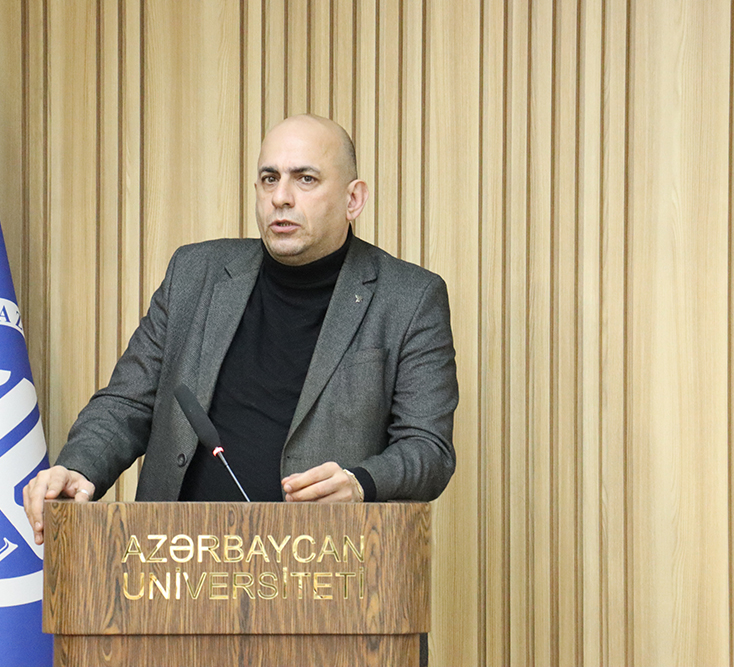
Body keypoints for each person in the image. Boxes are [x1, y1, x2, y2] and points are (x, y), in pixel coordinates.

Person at [23, 114, 458, 545]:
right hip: (174, 559)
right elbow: (127, 402)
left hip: (322, 564)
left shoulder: (410, 298)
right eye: (270, 179)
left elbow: (427, 448)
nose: (281, 197)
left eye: (305, 179)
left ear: (353, 200)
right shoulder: (195, 273)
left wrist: (360, 482)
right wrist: (78, 467)